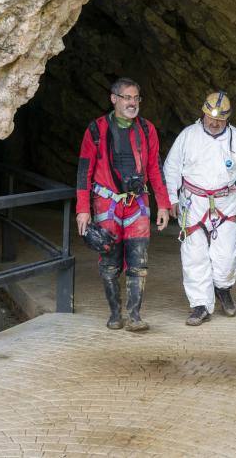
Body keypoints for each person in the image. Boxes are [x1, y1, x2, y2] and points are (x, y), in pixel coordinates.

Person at [76, 78, 170, 332]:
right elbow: (85, 171)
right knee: (110, 260)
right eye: (127, 97)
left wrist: (164, 204)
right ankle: (115, 313)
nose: (132, 103)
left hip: (137, 202)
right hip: (107, 202)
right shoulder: (96, 130)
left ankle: (135, 316)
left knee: (138, 259)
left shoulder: (147, 130)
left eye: (136, 98)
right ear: (114, 99)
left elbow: (155, 169)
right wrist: (82, 209)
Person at [164, 91, 236, 326]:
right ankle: (200, 304)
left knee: (226, 256)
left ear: (228, 119)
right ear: (203, 113)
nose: (215, 123)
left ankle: (222, 288)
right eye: (211, 117)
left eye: (220, 119)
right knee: (194, 256)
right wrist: (171, 200)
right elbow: (172, 168)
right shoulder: (188, 136)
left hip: (224, 204)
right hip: (193, 203)